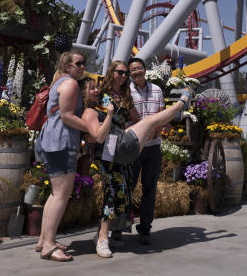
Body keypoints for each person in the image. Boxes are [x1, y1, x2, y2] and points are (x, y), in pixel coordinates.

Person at [79, 70, 192, 251]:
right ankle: (102, 238)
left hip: (118, 152)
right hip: (116, 151)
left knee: (120, 195)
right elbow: (98, 137)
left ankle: (103, 233)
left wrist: (110, 112)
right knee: (111, 195)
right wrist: (109, 115)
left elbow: (121, 120)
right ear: (82, 93)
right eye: (91, 88)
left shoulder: (100, 105)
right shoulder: (89, 113)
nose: (95, 90)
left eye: (96, 87)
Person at [32, 51, 91, 262]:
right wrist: (92, 128)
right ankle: (49, 245)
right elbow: (67, 116)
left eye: (84, 63)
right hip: (62, 142)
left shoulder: (58, 82)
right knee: (60, 195)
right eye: (79, 63)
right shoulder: (71, 84)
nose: (83, 67)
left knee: (54, 194)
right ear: (68, 67)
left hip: (51, 140)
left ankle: (43, 240)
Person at [90, 61, 140, 257]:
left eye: (126, 73)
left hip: (122, 145)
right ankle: (103, 237)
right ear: (112, 73)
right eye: (120, 72)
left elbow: (135, 117)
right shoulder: (103, 95)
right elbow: (96, 117)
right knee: (113, 189)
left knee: (123, 189)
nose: (124, 76)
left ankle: (103, 234)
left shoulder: (126, 96)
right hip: (108, 144)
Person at [128, 56, 165, 245]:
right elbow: (129, 117)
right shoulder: (127, 91)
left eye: (139, 68)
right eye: (133, 69)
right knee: (129, 186)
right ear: (129, 73)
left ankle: (145, 229)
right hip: (134, 148)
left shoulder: (157, 90)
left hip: (153, 147)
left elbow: (161, 116)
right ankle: (121, 226)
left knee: (150, 189)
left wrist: (153, 133)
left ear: (145, 69)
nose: (137, 72)